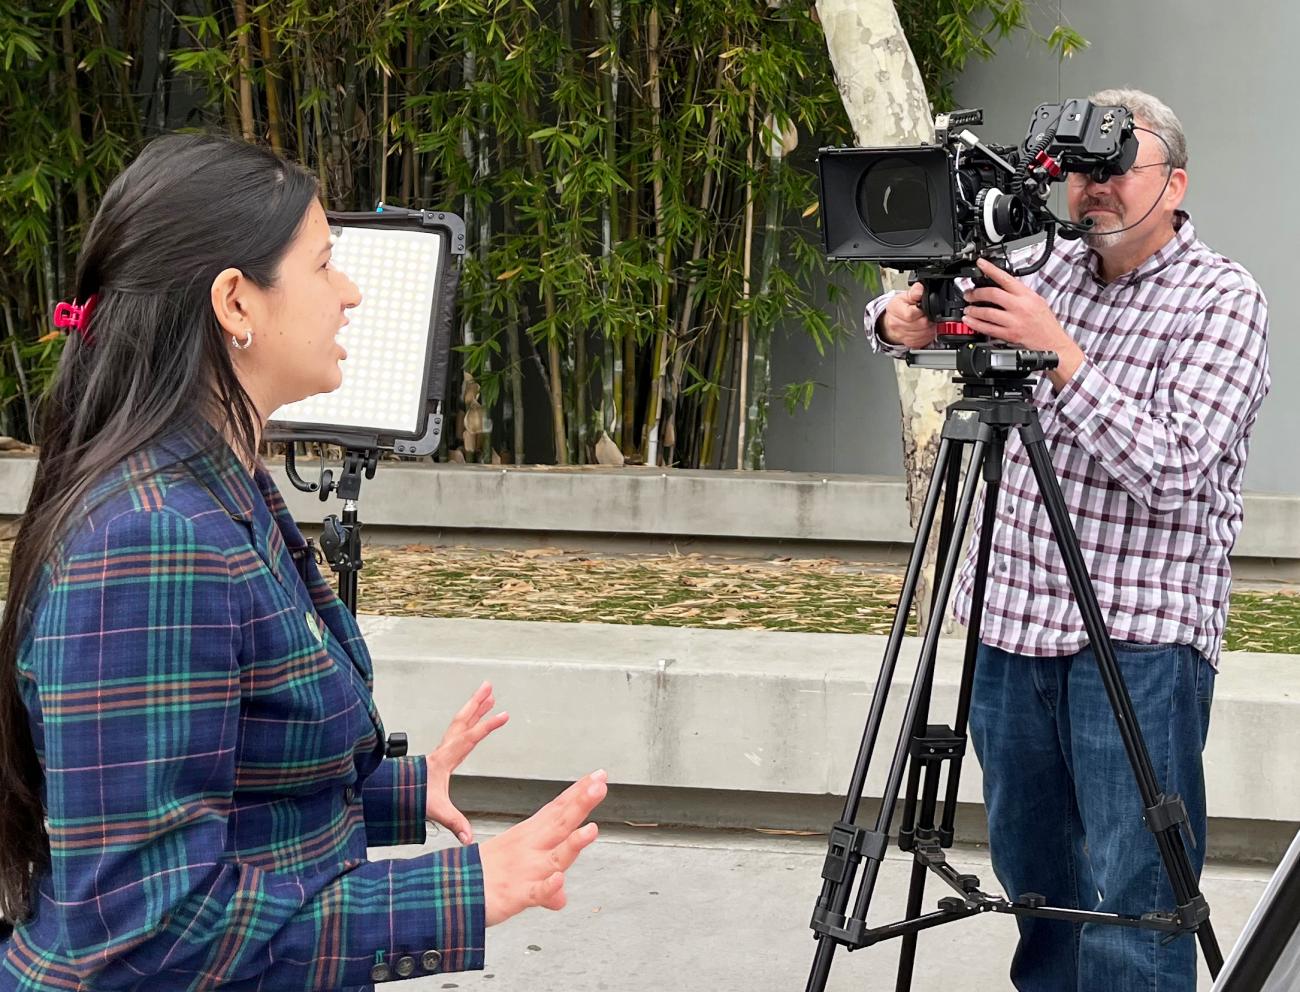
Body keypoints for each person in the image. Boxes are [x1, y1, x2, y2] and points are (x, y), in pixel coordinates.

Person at [0, 133, 607, 991]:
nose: (351, 293)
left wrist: (396, 790)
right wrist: (466, 889)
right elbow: (150, 932)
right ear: (236, 303)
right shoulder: (149, 538)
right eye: (326, 266)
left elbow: (236, 778)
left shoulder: (218, 478)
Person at [865, 89, 1270, 990]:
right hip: (1008, 629)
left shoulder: (1223, 299)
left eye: (1116, 168)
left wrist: (1064, 358)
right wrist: (899, 323)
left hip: (1138, 638)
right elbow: (909, 308)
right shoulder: (1039, 269)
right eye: (1081, 172)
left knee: (1136, 899)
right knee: (1038, 890)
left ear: (1175, 183)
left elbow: (1173, 470)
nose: (1094, 190)